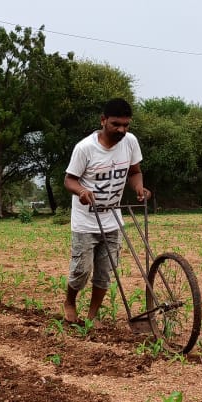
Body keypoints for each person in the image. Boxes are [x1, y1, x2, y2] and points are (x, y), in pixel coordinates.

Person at [62, 98, 151, 324]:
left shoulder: (130, 142)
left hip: (113, 218)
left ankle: (93, 315)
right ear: (103, 121)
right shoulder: (85, 148)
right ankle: (70, 301)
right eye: (116, 124)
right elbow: (69, 180)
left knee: (105, 272)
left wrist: (138, 187)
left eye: (125, 125)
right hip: (85, 221)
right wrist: (81, 191)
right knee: (81, 270)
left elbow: (134, 172)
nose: (121, 130)